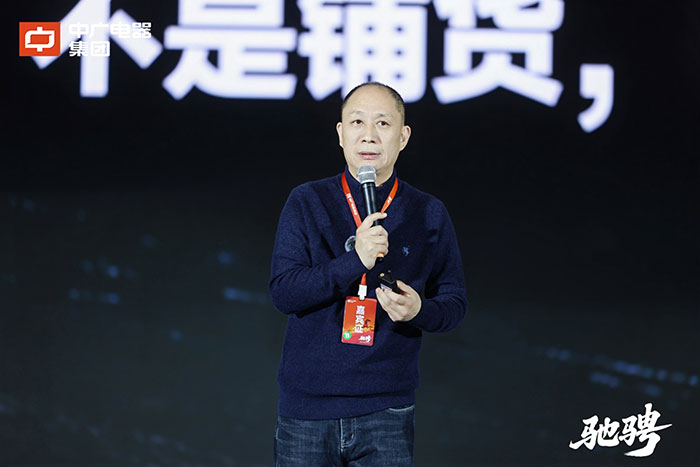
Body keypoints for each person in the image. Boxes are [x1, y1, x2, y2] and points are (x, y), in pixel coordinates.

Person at [269, 82, 468, 466]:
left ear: (403, 136)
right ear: (341, 133)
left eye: (383, 123)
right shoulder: (307, 200)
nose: (369, 135)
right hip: (307, 410)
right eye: (357, 122)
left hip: (386, 410)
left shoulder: (428, 212)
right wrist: (355, 260)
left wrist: (419, 311)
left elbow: (454, 303)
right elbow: (284, 292)